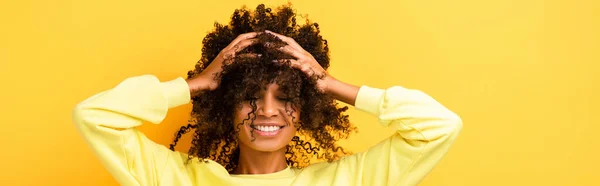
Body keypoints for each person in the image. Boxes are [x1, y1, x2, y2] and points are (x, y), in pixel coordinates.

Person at [72, 4, 462, 186]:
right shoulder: (177, 179)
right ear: (226, 103)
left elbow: (440, 126)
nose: (267, 111)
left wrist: (330, 84)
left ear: (307, 105)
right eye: (249, 95)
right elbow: (93, 116)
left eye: (287, 96)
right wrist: (198, 83)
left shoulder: (346, 181)